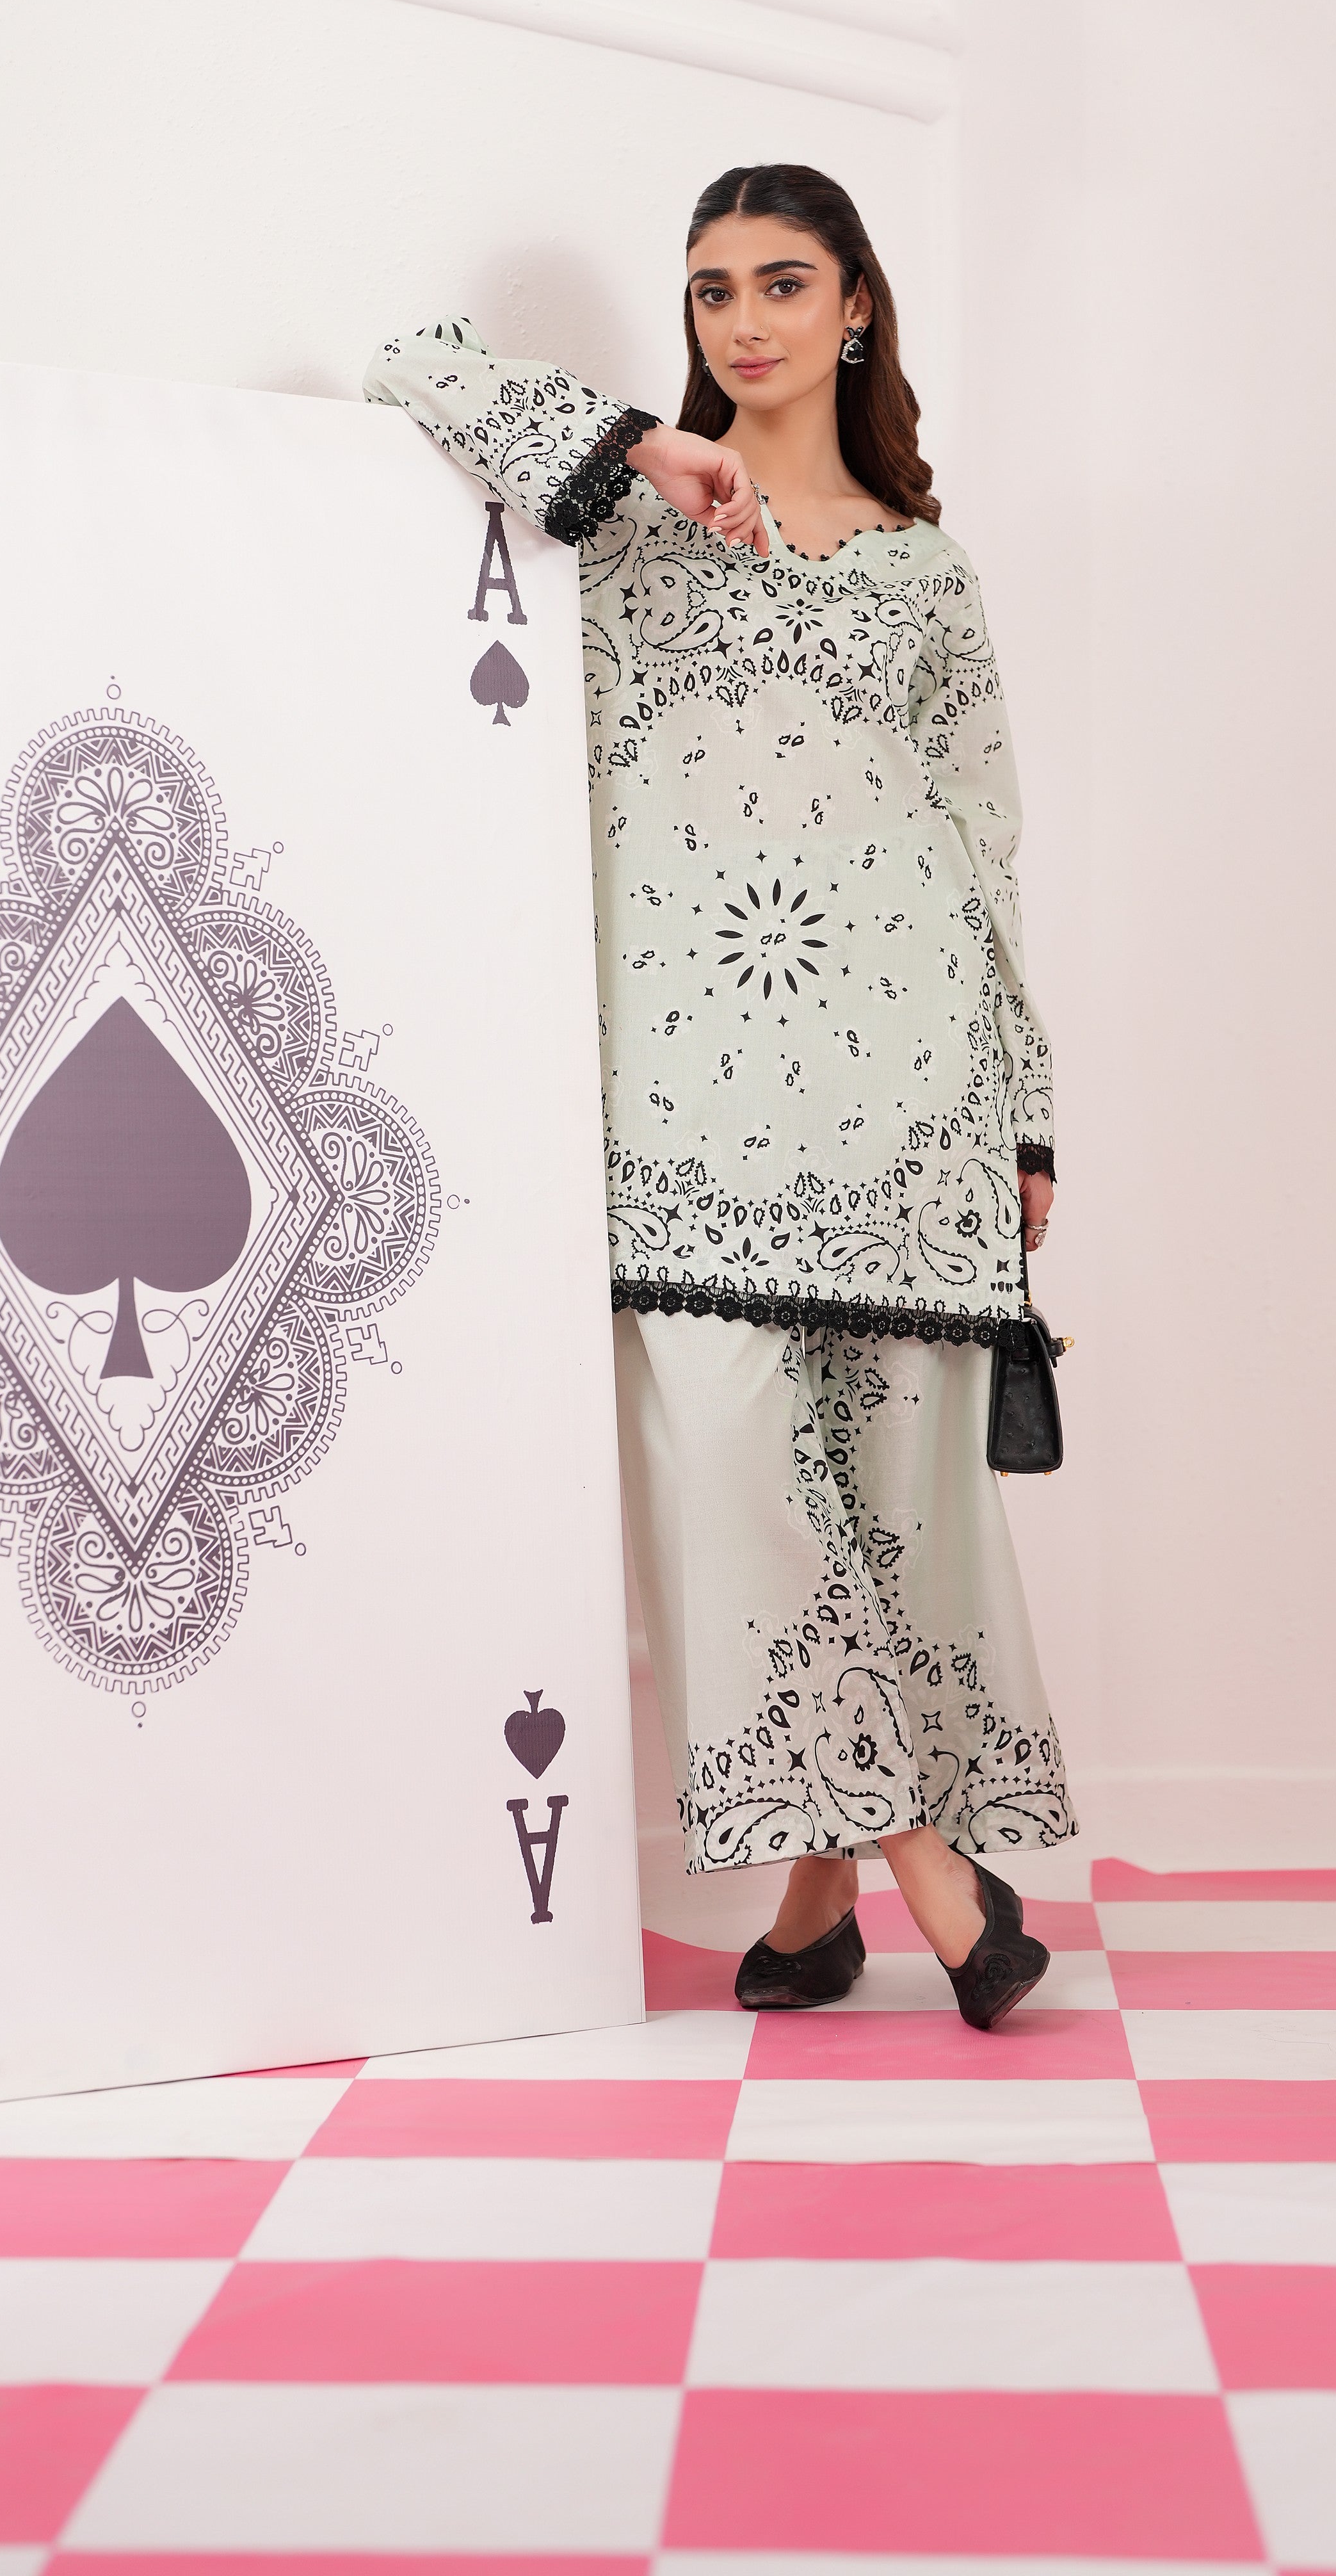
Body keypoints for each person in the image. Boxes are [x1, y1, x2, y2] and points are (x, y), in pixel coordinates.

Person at [369, 161, 1071, 2027]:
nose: (743, 321)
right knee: (743, 1490)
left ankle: (810, 1916)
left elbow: (985, 852)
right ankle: (940, 1877)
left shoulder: (928, 574)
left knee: (890, 1505)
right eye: (709, 289)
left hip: (911, 1098)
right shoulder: (626, 522)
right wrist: (639, 443)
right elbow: (406, 362)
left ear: (857, 307)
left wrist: (1024, 1116)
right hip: (681, 1108)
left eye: (781, 283)